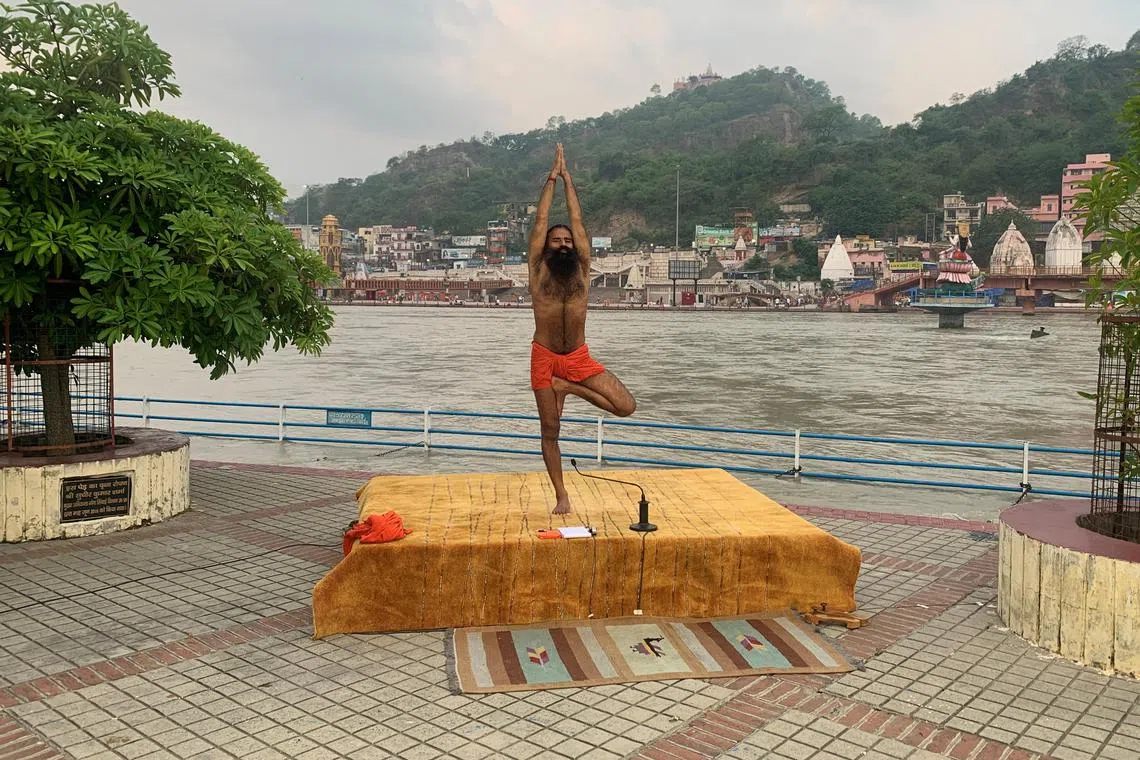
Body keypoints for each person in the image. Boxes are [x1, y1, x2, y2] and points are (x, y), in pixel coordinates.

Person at [528, 144, 636, 514]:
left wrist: (569, 180)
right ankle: (561, 494)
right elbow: (541, 221)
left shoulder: (583, 268)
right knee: (550, 432)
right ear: (546, 246)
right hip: (544, 358)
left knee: (626, 406)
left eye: (567, 240)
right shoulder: (537, 267)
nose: (562, 243)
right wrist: (551, 179)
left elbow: (578, 222)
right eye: (556, 240)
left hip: (577, 358)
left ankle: (568, 388)